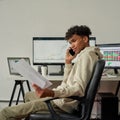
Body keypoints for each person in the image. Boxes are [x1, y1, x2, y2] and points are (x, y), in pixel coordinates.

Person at [0, 25, 103, 120]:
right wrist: (68, 62)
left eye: (74, 41)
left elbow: (78, 89)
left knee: (5, 112)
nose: (72, 46)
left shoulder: (86, 56)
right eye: (70, 43)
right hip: (63, 100)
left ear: (85, 39)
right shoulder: (86, 55)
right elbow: (67, 83)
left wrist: (52, 93)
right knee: (28, 95)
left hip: (62, 104)